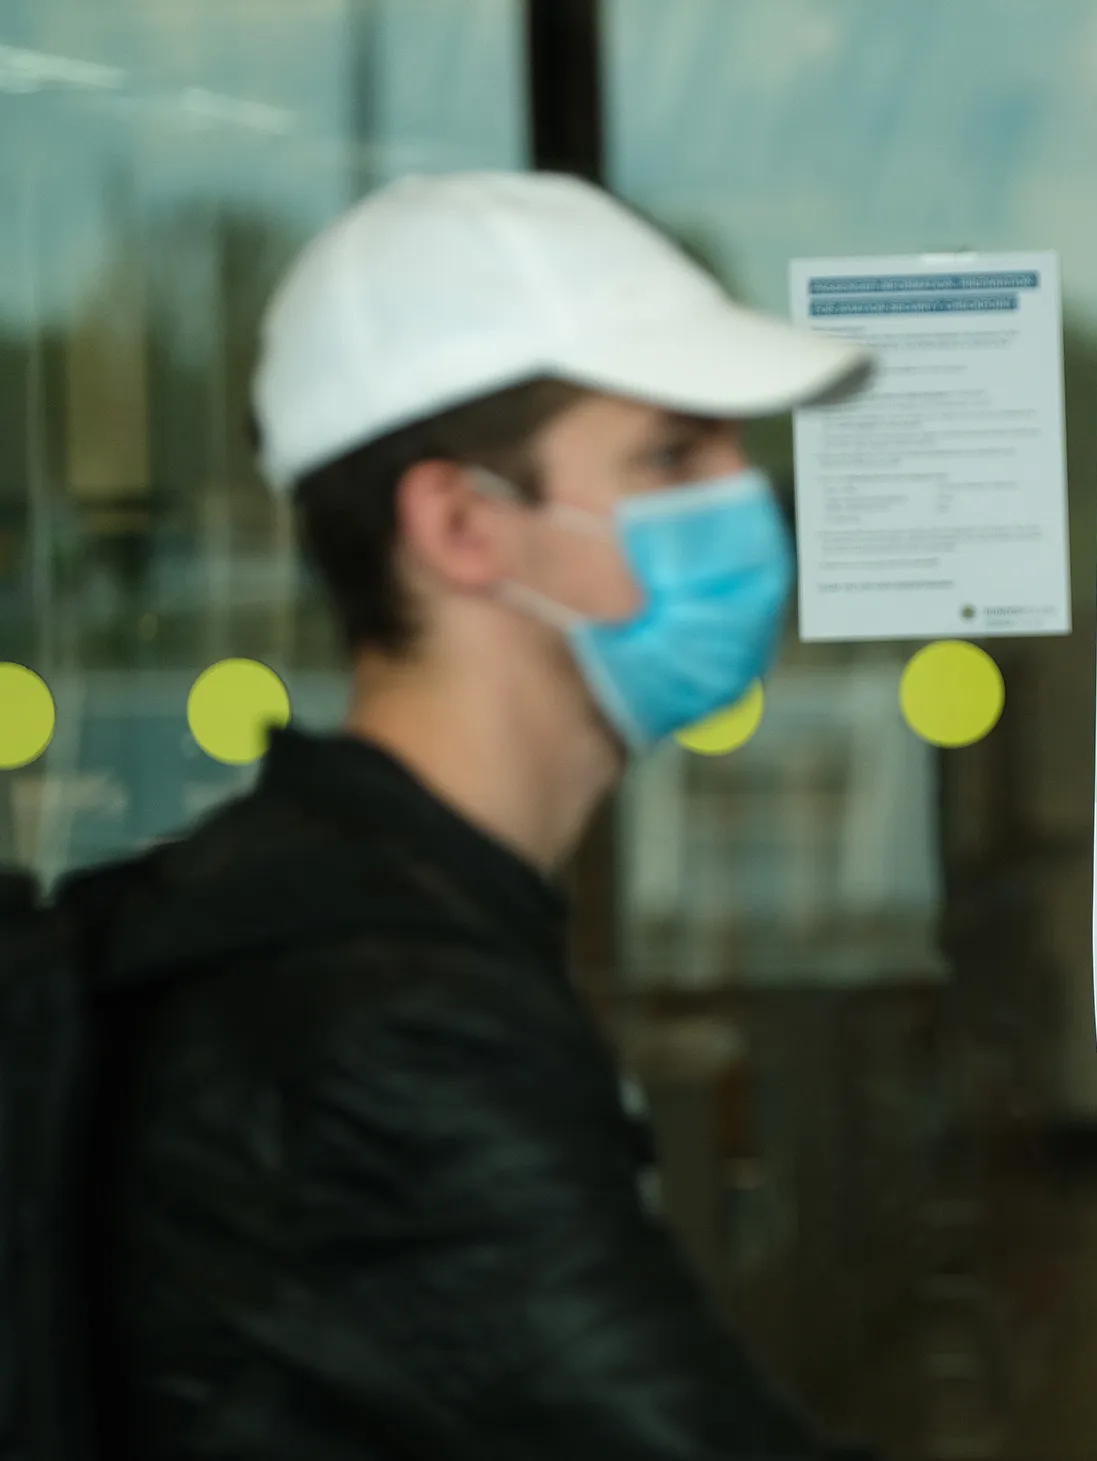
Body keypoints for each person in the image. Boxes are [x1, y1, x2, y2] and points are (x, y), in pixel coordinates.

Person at [83, 172, 872, 1459]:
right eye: (673, 454)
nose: (744, 498)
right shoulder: (388, 1022)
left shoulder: (343, 909)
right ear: (458, 524)